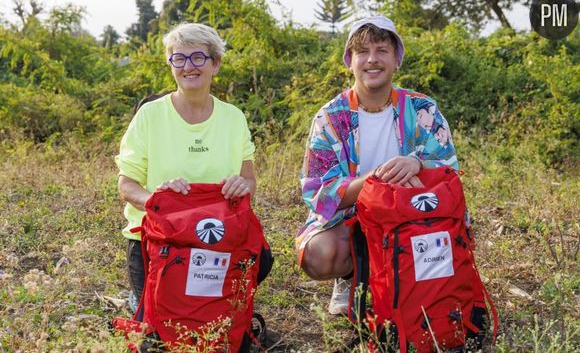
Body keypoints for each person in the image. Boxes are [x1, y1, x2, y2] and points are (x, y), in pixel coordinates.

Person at [296, 16, 459, 315]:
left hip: (410, 217)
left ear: (397, 59)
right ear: (350, 61)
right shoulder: (331, 117)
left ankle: (410, 283)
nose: (372, 60)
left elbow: (450, 173)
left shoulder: (422, 109)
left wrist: (418, 165)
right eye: (363, 51)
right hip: (351, 221)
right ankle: (351, 276)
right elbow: (317, 192)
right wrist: (372, 180)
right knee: (320, 255)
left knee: (433, 281)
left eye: (382, 50)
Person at [115, 23, 271, 317]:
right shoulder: (150, 116)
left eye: (198, 57)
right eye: (179, 58)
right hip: (158, 239)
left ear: (216, 64)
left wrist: (242, 185)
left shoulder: (233, 118)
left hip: (215, 235)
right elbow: (127, 185)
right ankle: (144, 302)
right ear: (171, 64)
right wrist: (157, 199)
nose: (189, 67)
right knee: (157, 333)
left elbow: (249, 179)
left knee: (261, 262)